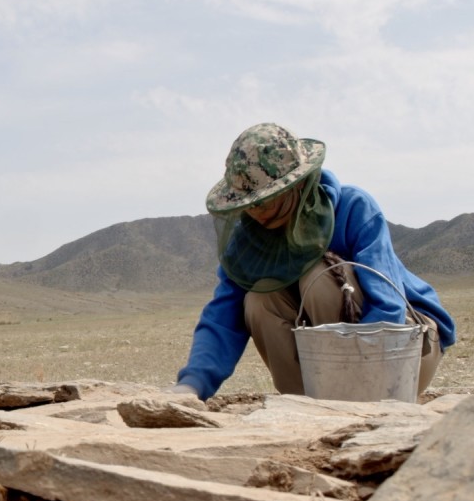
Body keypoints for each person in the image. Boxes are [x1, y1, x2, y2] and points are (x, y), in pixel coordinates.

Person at [169, 123, 456, 400]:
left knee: (317, 275)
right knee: (258, 299)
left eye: (268, 198)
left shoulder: (353, 207)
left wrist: (368, 380)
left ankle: (356, 400)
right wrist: (192, 385)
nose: (258, 210)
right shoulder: (248, 244)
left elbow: (388, 302)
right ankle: (308, 403)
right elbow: (223, 316)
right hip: (325, 369)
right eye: (249, 201)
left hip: (405, 351)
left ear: (298, 183)